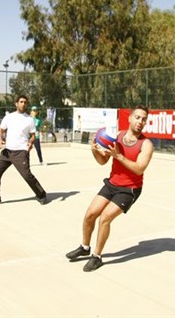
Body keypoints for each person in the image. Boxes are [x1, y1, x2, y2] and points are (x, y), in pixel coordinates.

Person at [66, 105, 154, 272]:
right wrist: (94, 151)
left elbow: (139, 168)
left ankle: (97, 257)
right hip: (112, 183)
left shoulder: (146, 144)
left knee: (105, 218)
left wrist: (119, 156)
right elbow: (102, 161)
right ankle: (85, 247)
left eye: (144, 119)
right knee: (90, 214)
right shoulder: (117, 136)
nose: (140, 121)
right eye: (137, 117)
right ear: (129, 118)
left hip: (130, 189)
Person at [0, 95, 48, 206]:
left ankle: (41, 194)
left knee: (27, 175)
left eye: (25, 102)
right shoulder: (9, 117)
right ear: (16, 103)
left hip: (21, 152)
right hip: (7, 152)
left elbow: (33, 135)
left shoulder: (29, 119)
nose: (23, 104)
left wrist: (30, 142)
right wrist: (0, 140)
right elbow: (0, 130)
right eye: (21, 102)